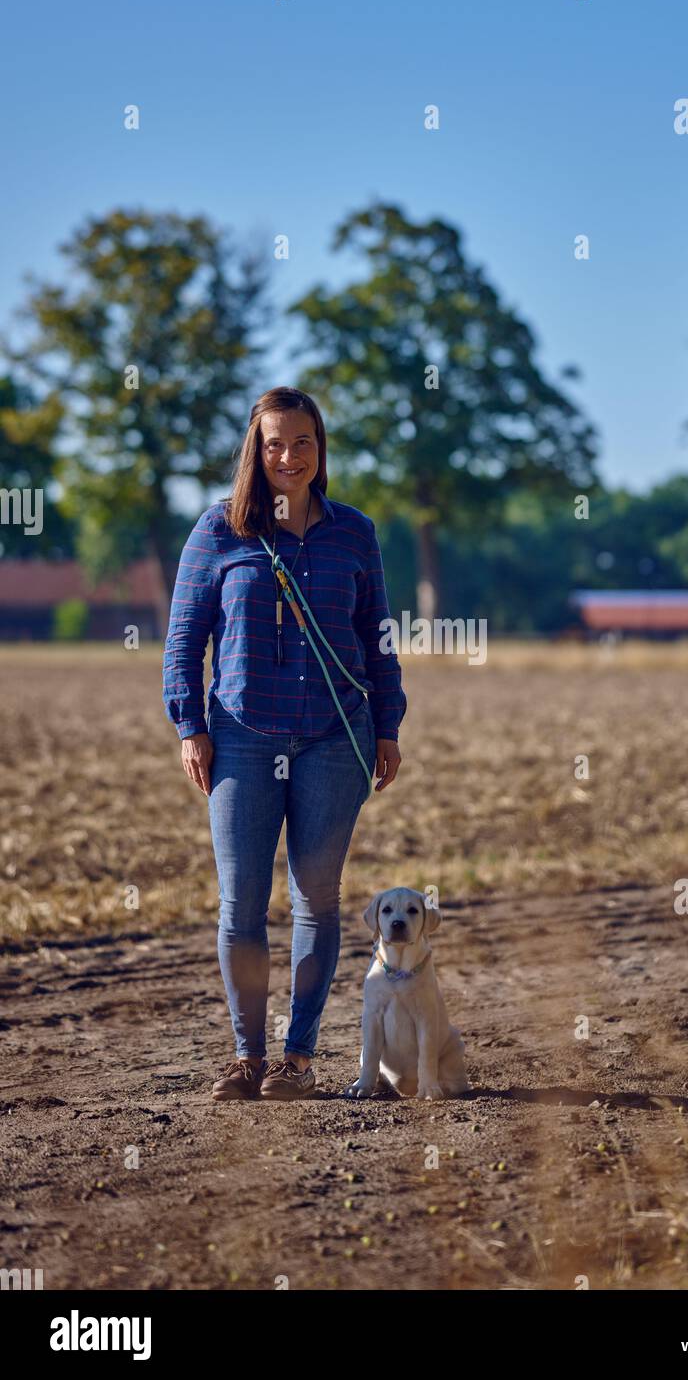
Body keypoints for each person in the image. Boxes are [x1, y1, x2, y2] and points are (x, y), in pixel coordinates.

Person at [162, 386, 406, 1102]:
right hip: (239, 736)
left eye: (303, 442)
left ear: (320, 449)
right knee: (240, 902)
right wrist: (189, 726)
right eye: (274, 443)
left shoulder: (354, 533)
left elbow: (378, 640)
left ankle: (295, 1061)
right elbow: (183, 641)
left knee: (316, 900)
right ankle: (246, 1056)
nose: (288, 457)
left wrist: (388, 723)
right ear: (254, 449)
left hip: (335, 739)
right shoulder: (219, 532)